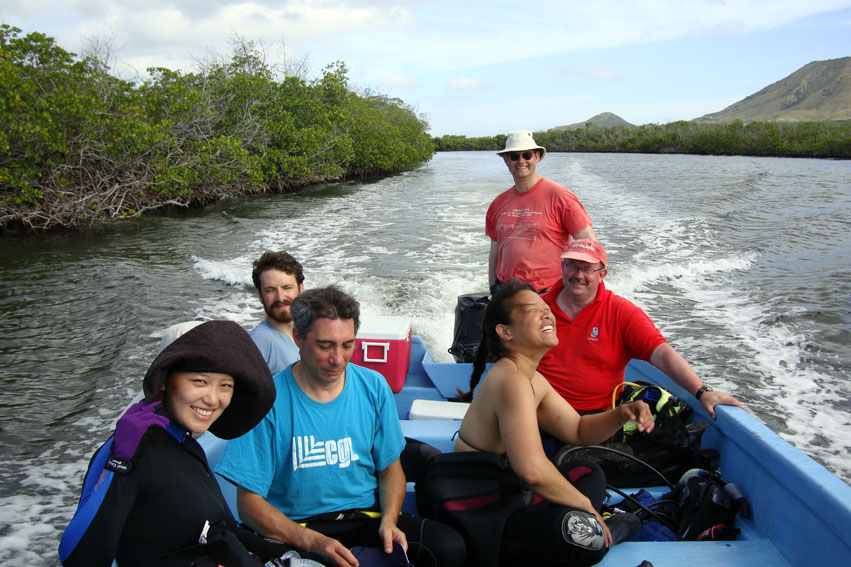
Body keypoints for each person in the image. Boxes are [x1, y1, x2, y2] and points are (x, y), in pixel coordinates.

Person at [216, 286, 466, 567]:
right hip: (294, 527)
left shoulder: (373, 387)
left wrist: (389, 520)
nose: (338, 359)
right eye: (325, 346)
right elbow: (249, 505)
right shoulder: (266, 401)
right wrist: (312, 541)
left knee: (449, 548)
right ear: (298, 337)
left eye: (347, 345)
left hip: (363, 518)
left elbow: (390, 469)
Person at [58, 321, 321, 566]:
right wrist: (121, 463)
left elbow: (223, 530)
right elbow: (76, 557)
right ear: (165, 381)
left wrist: (291, 555)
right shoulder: (130, 449)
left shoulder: (187, 444)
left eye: (225, 386)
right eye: (199, 381)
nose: (212, 399)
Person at [453, 280, 652, 566]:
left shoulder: (531, 378)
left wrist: (621, 413)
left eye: (547, 309)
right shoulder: (512, 381)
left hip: (509, 490)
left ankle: (590, 527)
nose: (548, 315)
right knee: (582, 538)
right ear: (505, 331)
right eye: (533, 310)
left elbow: (578, 430)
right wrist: (584, 505)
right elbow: (532, 471)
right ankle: (602, 530)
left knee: (588, 472)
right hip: (482, 507)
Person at [537, 239, 744, 418]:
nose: (578, 274)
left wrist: (702, 392)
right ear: (562, 267)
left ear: (602, 274)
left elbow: (662, 354)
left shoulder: (621, 313)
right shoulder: (536, 307)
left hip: (592, 418)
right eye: (572, 265)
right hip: (536, 408)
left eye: (587, 268)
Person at [487, 130, 597, 294]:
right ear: (506, 160)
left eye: (527, 155)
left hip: (551, 294)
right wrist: (492, 290)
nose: (521, 161)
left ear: (537, 157)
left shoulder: (560, 196)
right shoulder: (497, 204)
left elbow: (590, 245)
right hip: (507, 295)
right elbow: (495, 253)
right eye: (514, 156)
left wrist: (584, 291)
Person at [251, 250, 305, 374]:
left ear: (301, 288)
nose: (280, 298)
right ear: (260, 296)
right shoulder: (260, 341)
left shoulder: (307, 333)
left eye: (287, 288)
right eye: (270, 290)